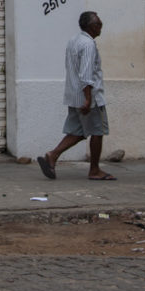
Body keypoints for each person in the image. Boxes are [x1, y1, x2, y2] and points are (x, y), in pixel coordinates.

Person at [37, 11, 116, 181]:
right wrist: (88, 99)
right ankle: (94, 170)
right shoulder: (88, 45)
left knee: (78, 131)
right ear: (91, 26)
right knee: (97, 131)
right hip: (89, 97)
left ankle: (52, 155)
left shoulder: (74, 41)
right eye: (98, 23)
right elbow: (86, 74)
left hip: (73, 95)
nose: (101, 25)